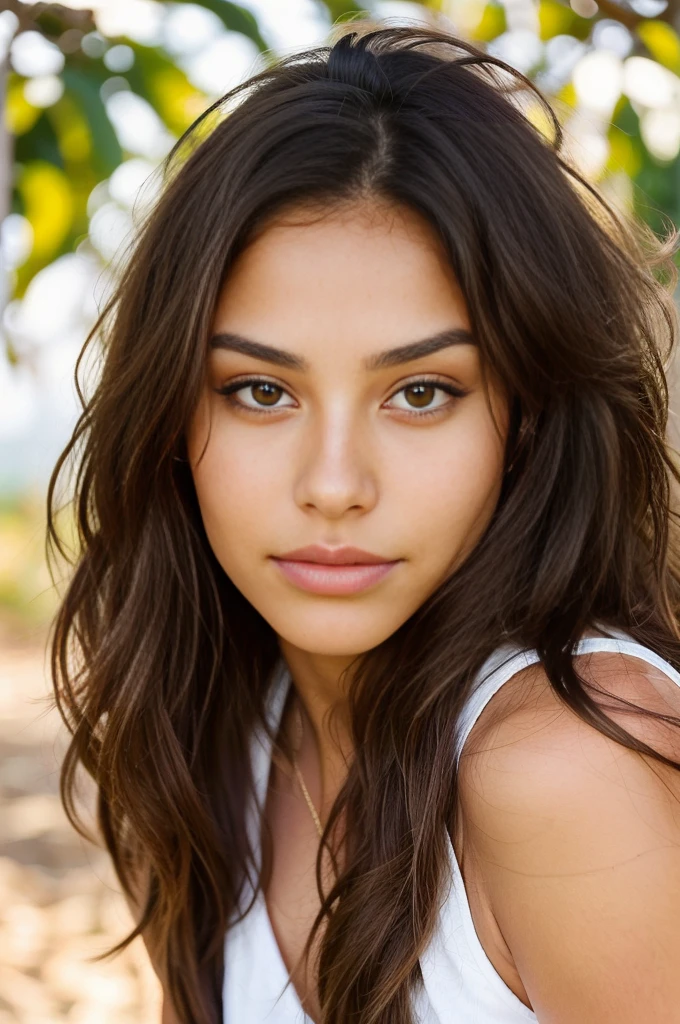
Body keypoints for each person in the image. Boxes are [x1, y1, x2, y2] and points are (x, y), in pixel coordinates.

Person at [47, 21, 680, 1024]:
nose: (333, 483)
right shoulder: (218, 724)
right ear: (170, 415)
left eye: (421, 392)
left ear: (523, 421)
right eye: (259, 390)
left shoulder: (566, 769)